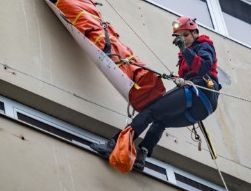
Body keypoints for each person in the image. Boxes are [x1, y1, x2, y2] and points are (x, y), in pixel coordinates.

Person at [90, 16, 221, 171]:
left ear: (195, 34)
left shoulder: (204, 45)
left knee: (151, 111)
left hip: (199, 91)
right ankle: (142, 154)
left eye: (186, 35)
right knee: (161, 121)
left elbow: (203, 67)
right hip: (201, 108)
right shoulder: (186, 56)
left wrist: (185, 51)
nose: (183, 39)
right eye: (180, 36)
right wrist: (178, 77)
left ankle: (114, 144)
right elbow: (191, 73)